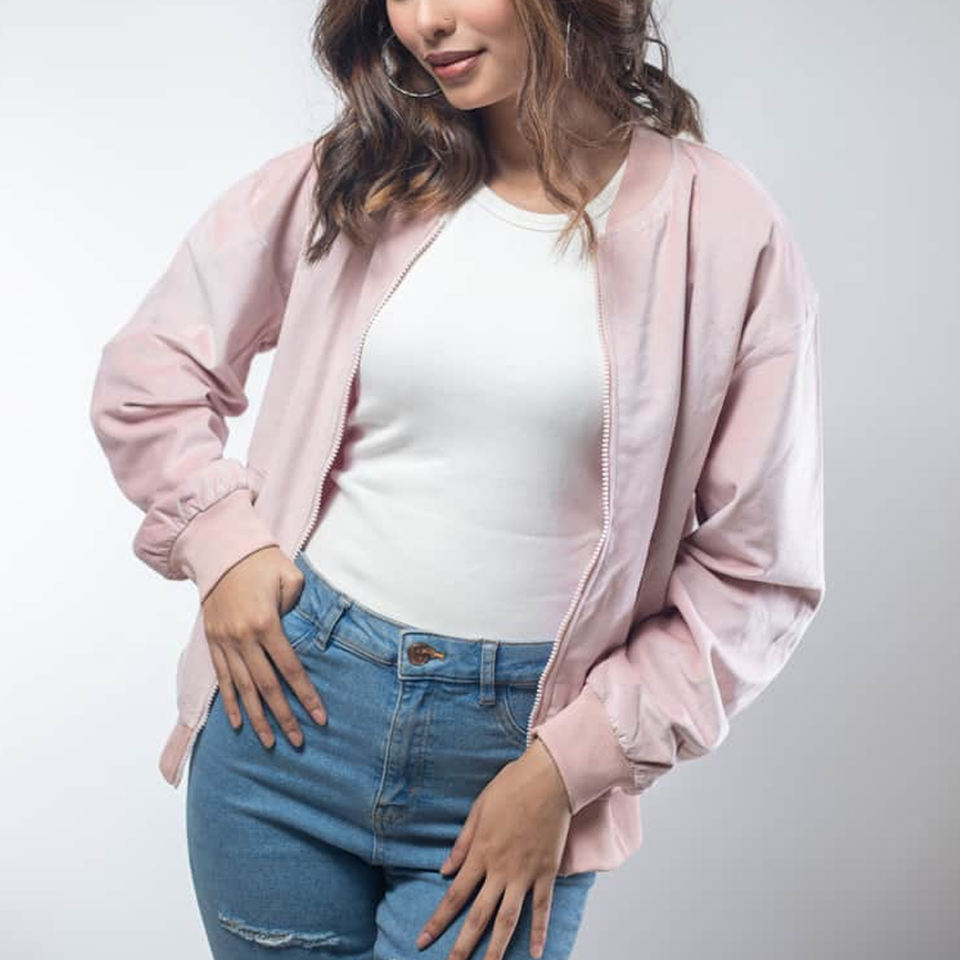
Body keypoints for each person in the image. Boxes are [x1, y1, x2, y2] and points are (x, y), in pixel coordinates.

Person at [89, 1, 825, 958]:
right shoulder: (362, 170)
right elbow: (151, 369)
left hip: (515, 763)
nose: (424, 21)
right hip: (288, 718)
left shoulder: (723, 230)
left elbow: (756, 574)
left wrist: (565, 771)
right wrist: (222, 546)